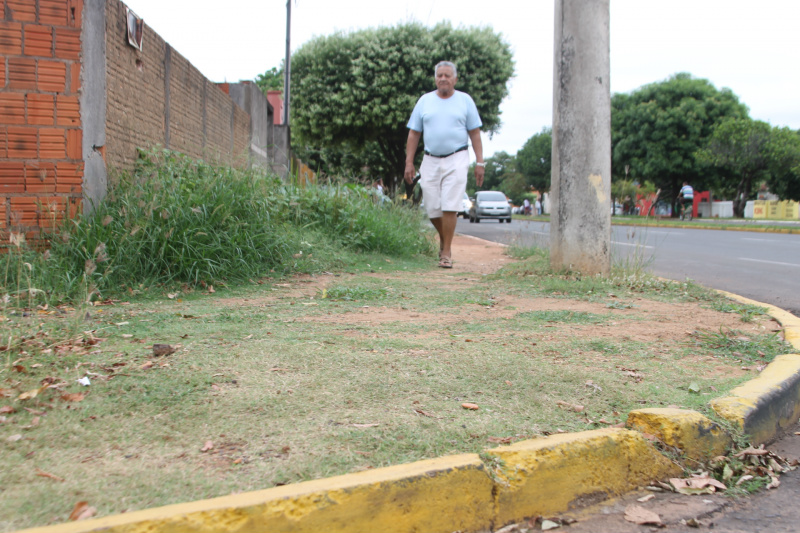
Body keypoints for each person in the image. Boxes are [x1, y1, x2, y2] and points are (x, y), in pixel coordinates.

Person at [404, 61, 484, 268]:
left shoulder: (465, 101)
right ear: (435, 79)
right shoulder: (425, 101)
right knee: (432, 208)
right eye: (440, 75)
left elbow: (475, 133)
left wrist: (480, 162)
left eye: (447, 75)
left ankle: (446, 251)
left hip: (457, 156)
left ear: (455, 79)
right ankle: (444, 237)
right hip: (430, 158)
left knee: (451, 204)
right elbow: (414, 133)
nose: (443, 79)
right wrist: (409, 163)